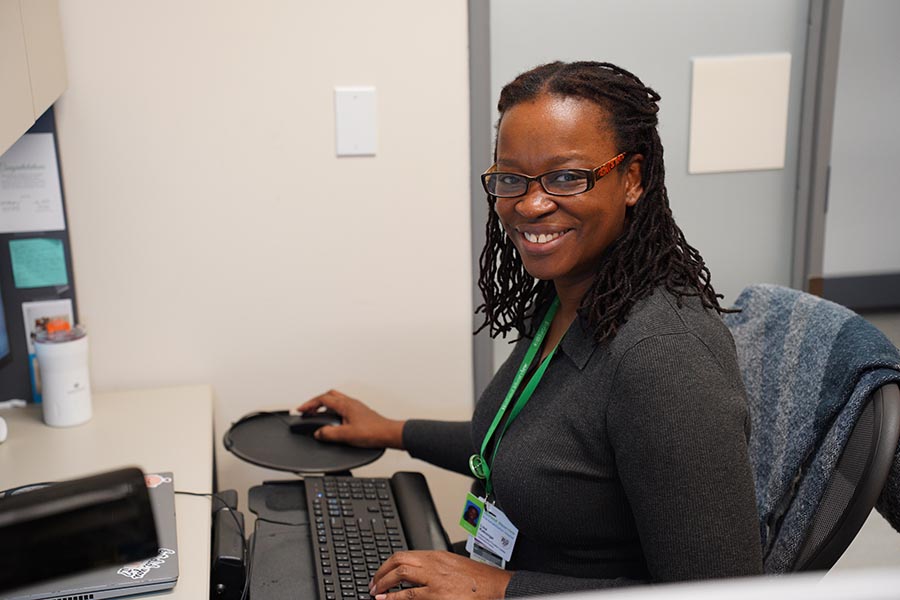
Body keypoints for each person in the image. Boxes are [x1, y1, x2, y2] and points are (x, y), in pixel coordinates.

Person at [297, 61, 763, 599]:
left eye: (567, 176)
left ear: (632, 178)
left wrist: (500, 588)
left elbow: (718, 594)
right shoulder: (569, 296)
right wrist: (390, 431)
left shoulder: (664, 357)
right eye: (511, 179)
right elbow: (527, 444)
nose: (531, 204)